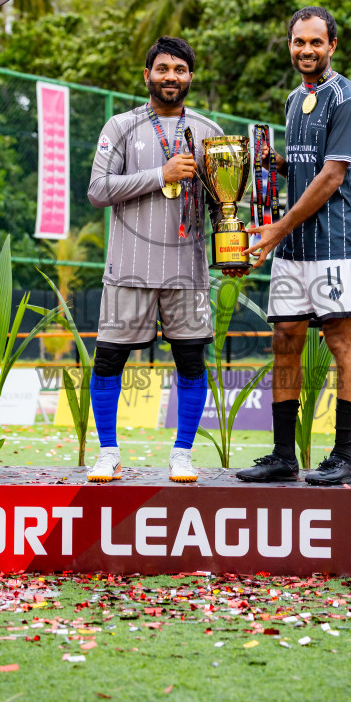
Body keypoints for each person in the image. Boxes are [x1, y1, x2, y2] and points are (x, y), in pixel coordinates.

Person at [234, 6, 351, 486]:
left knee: (341, 341)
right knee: (285, 339)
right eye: (299, 42)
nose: (306, 50)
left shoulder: (347, 98)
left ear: (332, 45)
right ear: (290, 45)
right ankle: (282, 455)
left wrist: (274, 229)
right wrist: (274, 160)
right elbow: (307, 171)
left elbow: (333, 176)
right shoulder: (295, 99)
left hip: (336, 244)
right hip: (295, 249)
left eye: (316, 42)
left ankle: (343, 457)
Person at [86, 35, 223, 483]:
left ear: (190, 77)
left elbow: (225, 202)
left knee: (190, 362)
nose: (171, 77)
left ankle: (182, 453)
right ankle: (108, 452)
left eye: (180, 70)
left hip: (187, 271)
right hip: (128, 268)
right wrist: (158, 175)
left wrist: (236, 243)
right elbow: (97, 191)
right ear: (147, 75)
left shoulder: (210, 133)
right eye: (163, 69)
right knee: (108, 361)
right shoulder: (119, 126)